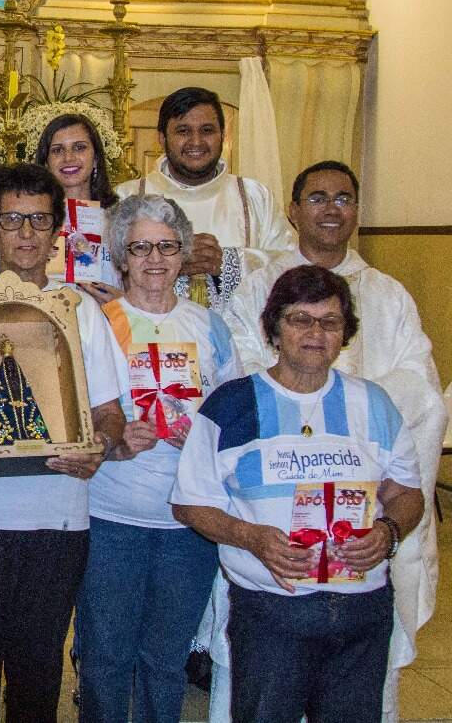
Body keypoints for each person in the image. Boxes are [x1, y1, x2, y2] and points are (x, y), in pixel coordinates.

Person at [214, 160, 447, 722]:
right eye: (316, 197)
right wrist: (308, 404)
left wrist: (348, 405)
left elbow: (421, 390)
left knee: (356, 684)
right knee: (266, 683)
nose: (330, 209)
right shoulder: (259, 286)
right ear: (294, 211)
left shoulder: (388, 295)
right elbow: (237, 373)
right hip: (275, 515)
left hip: (361, 514)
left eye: (343, 198)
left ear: (357, 211)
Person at [0, 163, 128, 723]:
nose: (27, 233)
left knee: (37, 678)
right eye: (13, 220)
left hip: (54, 520)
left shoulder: (82, 312)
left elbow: (110, 415)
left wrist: (100, 447)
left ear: (58, 229)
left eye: (39, 219)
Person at [172, 264, 424, 723]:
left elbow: (407, 492)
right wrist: (251, 537)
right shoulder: (231, 404)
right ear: (274, 328)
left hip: (361, 614)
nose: (315, 333)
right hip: (271, 613)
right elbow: (190, 503)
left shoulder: (374, 403)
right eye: (300, 320)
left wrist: (388, 532)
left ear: (345, 333)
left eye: (330, 322)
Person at [74, 194, 240, 723]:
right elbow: (70, 416)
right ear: (121, 256)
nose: (154, 259)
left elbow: (233, 423)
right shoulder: (97, 321)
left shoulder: (209, 328)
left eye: (167, 247)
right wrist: (116, 441)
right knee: (105, 657)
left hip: (187, 522)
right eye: (140, 247)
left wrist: (200, 440)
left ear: (183, 253)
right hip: (110, 517)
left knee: (166, 661)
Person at [115, 86, 295, 309]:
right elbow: (106, 277)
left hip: (240, 330)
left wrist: (228, 263)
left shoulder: (256, 196)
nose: (196, 142)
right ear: (161, 138)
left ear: (223, 135)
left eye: (207, 130)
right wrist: (168, 263)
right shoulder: (126, 197)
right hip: (150, 328)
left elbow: (292, 266)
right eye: (183, 131)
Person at [33, 111, 122, 297]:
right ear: (46, 162)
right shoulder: (32, 221)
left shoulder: (120, 219)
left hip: (109, 314)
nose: (68, 158)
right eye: (57, 150)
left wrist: (122, 304)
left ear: (96, 158)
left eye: (79, 147)